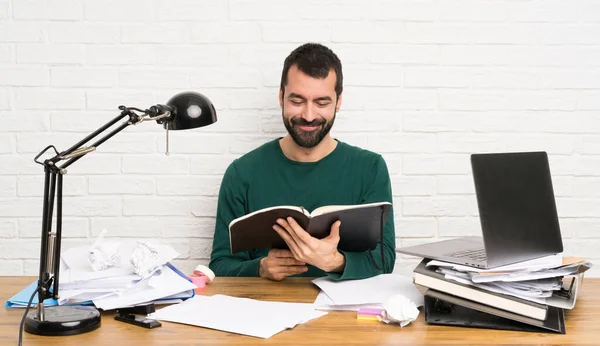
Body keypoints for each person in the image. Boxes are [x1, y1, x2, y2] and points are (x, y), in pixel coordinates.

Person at [208, 43, 395, 281]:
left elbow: (385, 259)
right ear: (281, 97)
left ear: (338, 102)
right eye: (297, 101)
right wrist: (260, 268)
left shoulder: (371, 168)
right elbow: (220, 265)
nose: (308, 115)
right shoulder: (241, 173)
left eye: (321, 103)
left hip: (343, 316)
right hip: (265, 310)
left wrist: (335, 262)